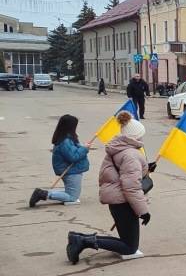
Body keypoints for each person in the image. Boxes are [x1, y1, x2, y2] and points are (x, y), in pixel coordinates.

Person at [65, 111, 152, 263]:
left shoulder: (119, 148)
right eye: (141, 135)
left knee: (126, 240)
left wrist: (146, 168)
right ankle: (83, 241)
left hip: (117, 202)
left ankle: (79, 238)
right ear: (135, 136)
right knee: (129, 247)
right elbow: (131, 186)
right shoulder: (132, 154)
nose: (142, 137)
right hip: (124, 203)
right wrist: (143, 211)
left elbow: (122, 172)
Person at [29, 115, 92, 207]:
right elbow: (73, 157)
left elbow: (73, 151)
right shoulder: (65, 141)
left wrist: (83, 147)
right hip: (71, 171)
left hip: (71, 170)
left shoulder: (66, 138)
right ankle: (44, 194)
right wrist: (84, 149)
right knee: (72, 197)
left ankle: (43, 193)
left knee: (70, 193)